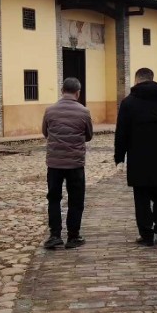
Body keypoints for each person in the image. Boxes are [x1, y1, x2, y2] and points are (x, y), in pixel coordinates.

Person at [114, 67, 157, 247]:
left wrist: (119, 157)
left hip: (138, 159)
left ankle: (147, 234)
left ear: (137, 81)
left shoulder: (128, 103)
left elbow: (121, 133)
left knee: (141, 197)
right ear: (152, 79)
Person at [41, 77, 94, 250]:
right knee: (76, 200)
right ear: (78, 93)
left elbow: (45, 132)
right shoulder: (84, 112)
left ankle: (55, 235)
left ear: (62, 90)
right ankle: (73, 236)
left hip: (54, 163)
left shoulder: (49, 110)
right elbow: (89, 135)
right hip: (75, 164)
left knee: (54, 198)